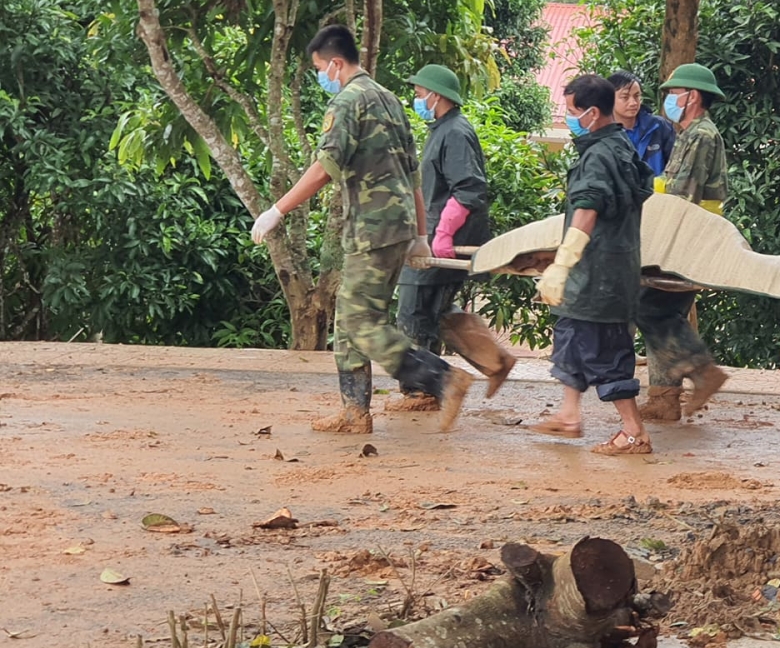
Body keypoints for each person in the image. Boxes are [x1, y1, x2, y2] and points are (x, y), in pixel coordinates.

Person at [250, 25, 472, 435]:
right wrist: (420, 234)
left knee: (361, 323)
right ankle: (354, 411)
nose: (321, 75)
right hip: (398, 226)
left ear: (335, 63)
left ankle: (441, 378)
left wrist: (277, 210)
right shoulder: (389, 101)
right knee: (348, 321)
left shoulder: (348, 101)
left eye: (320, 68)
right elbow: (413, 175)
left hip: (372, 229)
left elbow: (324, 168)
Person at [530, 74, 656, 454]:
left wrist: (563, 263)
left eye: (571, 113)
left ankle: (635, 431)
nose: (568, 119)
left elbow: (587, 209)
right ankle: (569, 415)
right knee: (570, 336)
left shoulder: (600, 156)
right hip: (602, 271)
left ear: (593, 113)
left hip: (598, 273)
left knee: (606, 353)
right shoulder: (618, 146)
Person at [392, 63, 514, 408]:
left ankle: (424, 389)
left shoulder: (455, 132)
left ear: (436, 95)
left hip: (443, 238)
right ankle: (494, 361)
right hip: (434, 234)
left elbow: (469, 189)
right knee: (440, 311)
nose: (416, 99)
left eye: (419, 94)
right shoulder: (441, 129)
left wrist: (443, 232)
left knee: (414, 312)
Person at [637, 63, 730, 422]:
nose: (669, 100)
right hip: (686, 234)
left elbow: (681, 195)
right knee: (661, 310)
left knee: (650, 307)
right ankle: (664, 397)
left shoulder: (700, 136)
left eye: (674, 94)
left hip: (686, 237)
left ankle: (703, 373)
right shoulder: (692, 133)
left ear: (692, 97)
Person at [608, 70, 676, 175]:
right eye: (625, 97)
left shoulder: (659, 127)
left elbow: (675, 166)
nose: (633, 103)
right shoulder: (605, 134)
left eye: (636, 96)